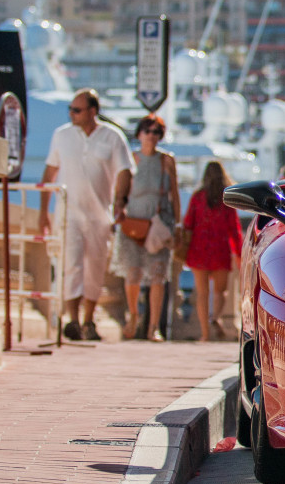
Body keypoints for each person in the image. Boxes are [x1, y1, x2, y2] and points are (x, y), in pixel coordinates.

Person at [38, 89, 135, 341]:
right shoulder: (61, 135)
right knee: (71, 264)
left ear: (92, 111)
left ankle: (89, 320)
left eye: (76, 110)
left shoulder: (112, 137)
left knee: (94, 267)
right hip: (67, 213)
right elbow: (48, 175)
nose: (71, 113)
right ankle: (72, 320)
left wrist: (121, 203)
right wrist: (42, 213)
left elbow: (125, 171)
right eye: (70, 109)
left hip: (99, 215)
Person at [111, 115, 180, 341]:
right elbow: (120, 191)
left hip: (159, 223)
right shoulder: (131, 159)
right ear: (139, 134)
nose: (151, 135)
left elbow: (174, 194)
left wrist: (177, 224)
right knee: (133, 273)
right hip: (134, 222)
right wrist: (118, 209)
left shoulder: (166, 161)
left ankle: (153, 327)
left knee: (159, 275)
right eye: (147, 131)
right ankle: (133, 315)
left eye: (156, 132)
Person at [182, 161, 243, 342]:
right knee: (220, 292)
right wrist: (239, 253)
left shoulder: (197, 197)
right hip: (220, 250)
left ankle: (205, 334)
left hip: (199, 248)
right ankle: (215, 317)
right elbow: (234, 229)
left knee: (202, 293)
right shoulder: (227, 199)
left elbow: (187, 224)